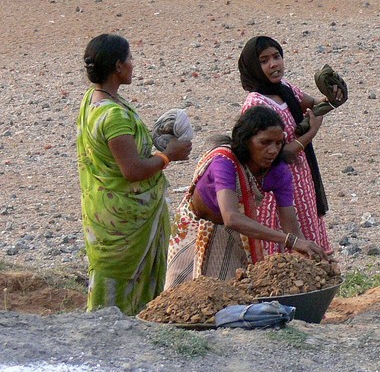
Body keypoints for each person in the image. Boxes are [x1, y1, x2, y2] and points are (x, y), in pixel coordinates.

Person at [76, 34, 193, 315]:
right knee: (119, 292)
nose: (133, 63)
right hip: (125, 223)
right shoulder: (113, 115)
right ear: (118, 66)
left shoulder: (93, 99)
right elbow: (132, 170)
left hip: (104, 212)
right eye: (129, 58)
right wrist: (169, 155)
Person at [165, 106, 328, 288]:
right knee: (180, 297)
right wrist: (290, 240)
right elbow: (231, 217)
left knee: (228, 295)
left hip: (235, 235)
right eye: (264, 142)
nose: (273, 150)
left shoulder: (278, 171)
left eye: (278, 143)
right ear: (246, 141)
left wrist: (307, 253)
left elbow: (290, 226)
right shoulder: (225, 163)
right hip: (195, 230)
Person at [239, 36, 335, 254]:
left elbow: (315, 105)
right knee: (285, 242)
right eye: (264, 60)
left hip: (302, 181)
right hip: (277, 185)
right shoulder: (257, 103)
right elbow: (279, 154)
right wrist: (311, 132)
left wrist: (333, 98)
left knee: (309, 230)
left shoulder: (286, 89)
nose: (273, 64)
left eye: (276, 56)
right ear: (253, 67)